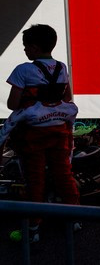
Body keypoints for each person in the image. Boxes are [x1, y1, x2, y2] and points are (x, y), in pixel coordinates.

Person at [4, 24, 80, 243]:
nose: (25, 51)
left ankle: (33, 229)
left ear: (35, 48)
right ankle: (74, 220)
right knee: (64, 175)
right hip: (59, 131)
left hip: (31, 136)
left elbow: (13, 104)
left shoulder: (23, 70)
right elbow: (67, 99)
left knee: (34, 179)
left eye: (26, 47)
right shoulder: (62, 67)